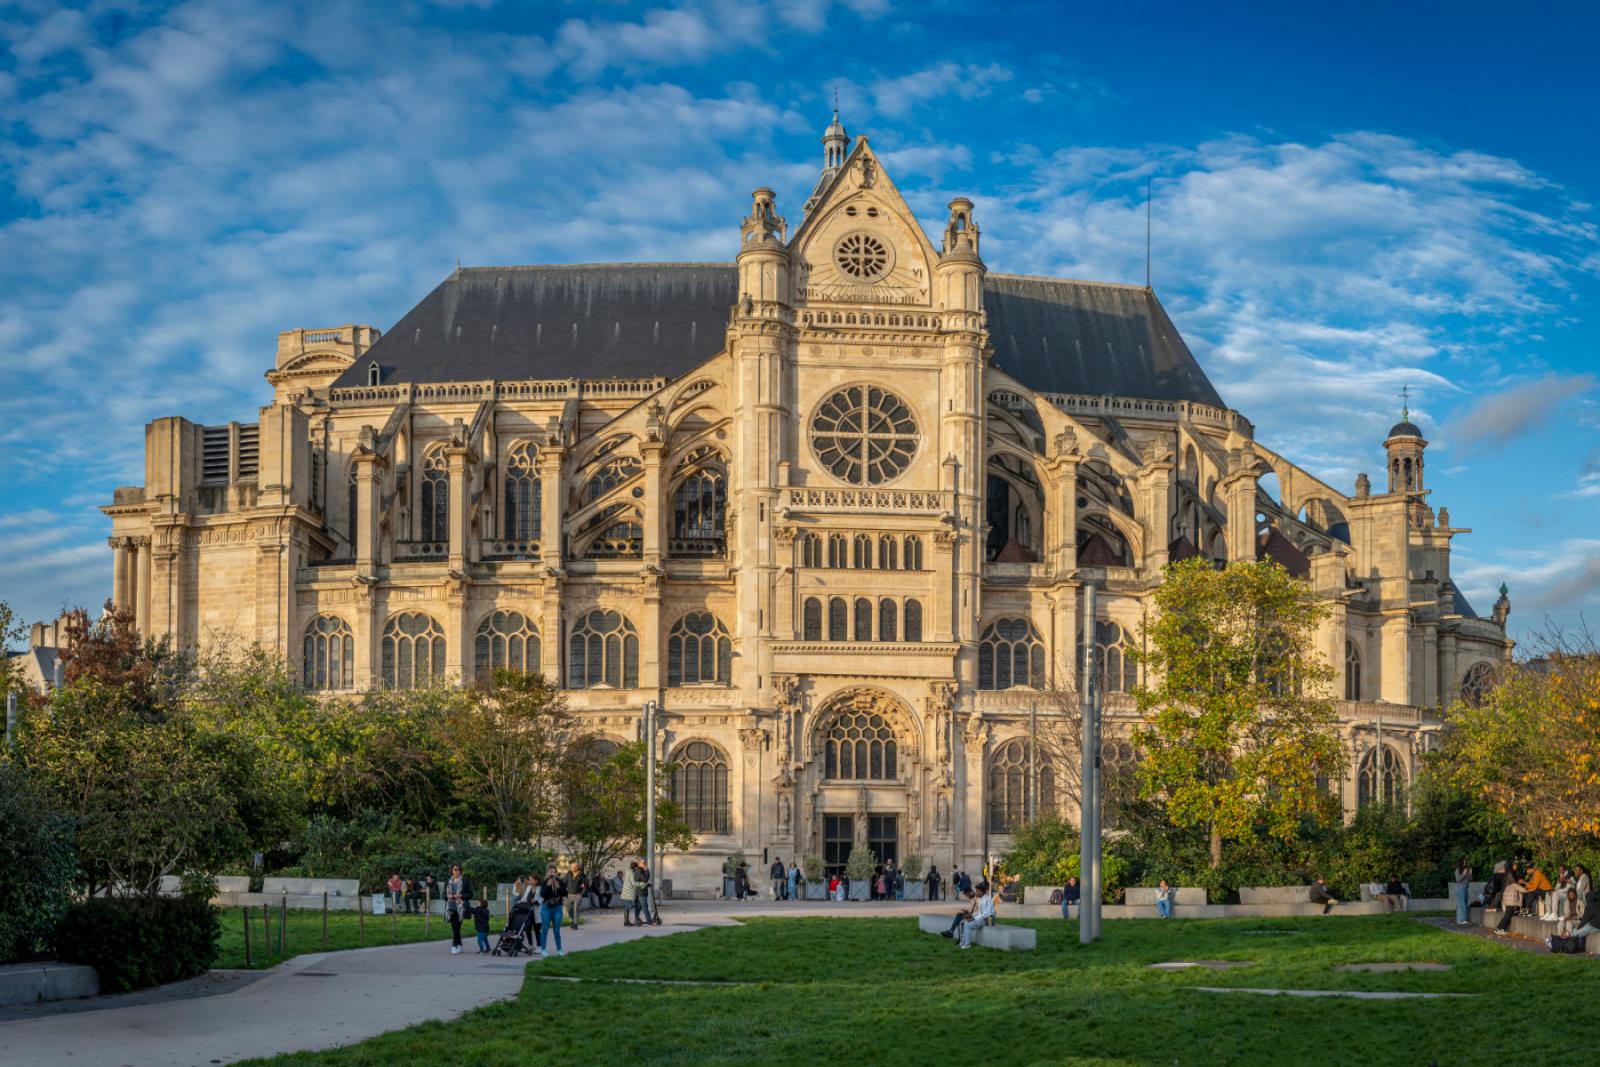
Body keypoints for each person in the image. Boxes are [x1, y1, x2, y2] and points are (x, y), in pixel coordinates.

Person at [444, 864, 472, 955]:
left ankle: (454, 946)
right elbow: (443, 895)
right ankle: (459, 944)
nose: (457, 871)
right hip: (450, 907)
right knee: (455, 927)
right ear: (452, 870)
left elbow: (470, 894)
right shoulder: (448, 881)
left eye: (459, 870)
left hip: (461, 907)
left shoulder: (465, 881)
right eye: (455, 869)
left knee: (456, 926)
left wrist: (461, 895)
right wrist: (448, 896)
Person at [538, 869, 567, 957]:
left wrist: (559, 888)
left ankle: (559, 949)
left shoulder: (560, 882)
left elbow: (565, 893)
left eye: (553, 872)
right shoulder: (544, 882)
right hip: (546, 907)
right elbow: (542, 895)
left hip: (557, 907)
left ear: (556, 873)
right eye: (550, 872)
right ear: (547, 873)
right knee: (545, 929)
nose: (552, 874)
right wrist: (547, 885)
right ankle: (543, 949)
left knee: (557, 930)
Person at [959, 881, 996, 949]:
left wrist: (974, 918)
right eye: (976, 891)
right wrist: (971, 916)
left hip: (989, 919)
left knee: (968, 925)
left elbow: (987, 913)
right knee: (965, 922)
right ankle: (963, 942)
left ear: (982, 892)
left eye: (977, 891)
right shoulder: (981, 899)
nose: (976, 892)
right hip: (983, 918)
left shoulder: (987, 899)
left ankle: (967, 944)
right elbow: (979, 912)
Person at [564, 862, 587, 929]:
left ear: (577, 868)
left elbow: (585, 886)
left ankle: (575, 924)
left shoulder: (582, 875)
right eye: (571, 867)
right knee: (568, 909)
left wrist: (581, 894)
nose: (571, 868)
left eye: (573, 867)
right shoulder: (568, 874)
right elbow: (564, 883)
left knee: (576, 910)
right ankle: (572, 920)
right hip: (569, 895)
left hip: (578, 895)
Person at [1450, 859, 1473, 925]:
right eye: (1463, 863)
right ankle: (1461, 920)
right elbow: (1458, 879)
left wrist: (1470, 874)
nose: (1465, 864)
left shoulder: (1466, 870)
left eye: (1465, 863)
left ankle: (1461, 920)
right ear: (1460, 863)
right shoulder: (1458, 870)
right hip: (1460, 888)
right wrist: (1463, 874)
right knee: (1461, 905)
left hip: (1466, 888)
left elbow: (1470, 880)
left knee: (1465, 904)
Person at [620, 860, 639, 927]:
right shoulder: (631, 873)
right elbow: (633, 883)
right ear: (635, 867)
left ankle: (626, 921)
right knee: (627, 908)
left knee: (626, 908)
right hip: (628, 893)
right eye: (636, 868)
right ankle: (626, 922)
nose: (637, 869)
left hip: (626, 892)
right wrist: (641, 884)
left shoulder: (628, 872)